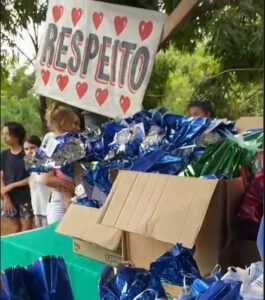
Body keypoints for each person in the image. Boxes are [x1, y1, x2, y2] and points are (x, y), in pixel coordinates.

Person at [41, 104, 80, 224]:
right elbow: (47, 179)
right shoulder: (50, 145)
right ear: (63, 124)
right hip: (58, 200)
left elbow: (78, 173)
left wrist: (77, 190)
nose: (78, 128)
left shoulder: (77, 146)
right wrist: (69, 188)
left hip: (76, 196)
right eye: (75, 124)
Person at [1, 122, 34, 233]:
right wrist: (5, 197)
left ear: (16, 136)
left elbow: (32, 177)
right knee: (15, 229)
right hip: (9, 198)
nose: (4, 137)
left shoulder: (27, 153)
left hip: (26, 197)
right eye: (3, 134)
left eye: (7, 134)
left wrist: (11, 186)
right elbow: (0, 177)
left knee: (26, 230)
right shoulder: (4, 155)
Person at [23, 135, 52, 228]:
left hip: (48, 211)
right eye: (26, 149)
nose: (29, 151)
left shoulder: (47, 165)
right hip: (37, 210)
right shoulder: (31, 167)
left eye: (32, 148)